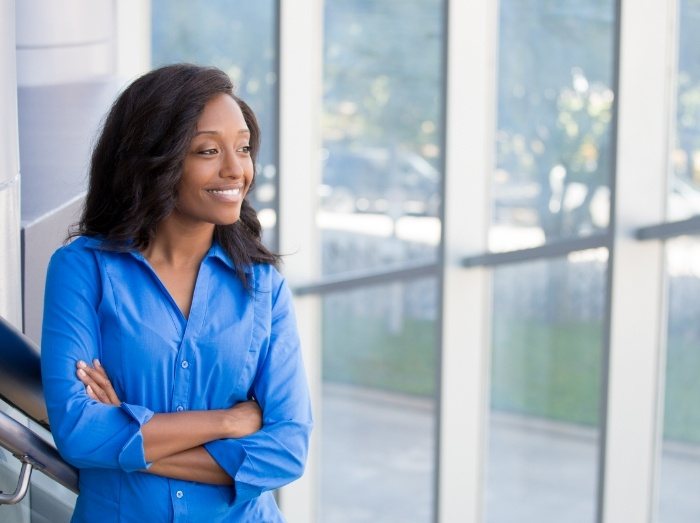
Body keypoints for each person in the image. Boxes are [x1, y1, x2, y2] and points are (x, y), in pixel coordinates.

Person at [40, 63, 313, 522]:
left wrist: (127, 432)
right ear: (154, 159)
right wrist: (228, 422)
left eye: (243, 148)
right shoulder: (82, 269)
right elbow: (79, 433)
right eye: (208, 150)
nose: (236, 170)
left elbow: (287, 451)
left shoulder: (263, 284)